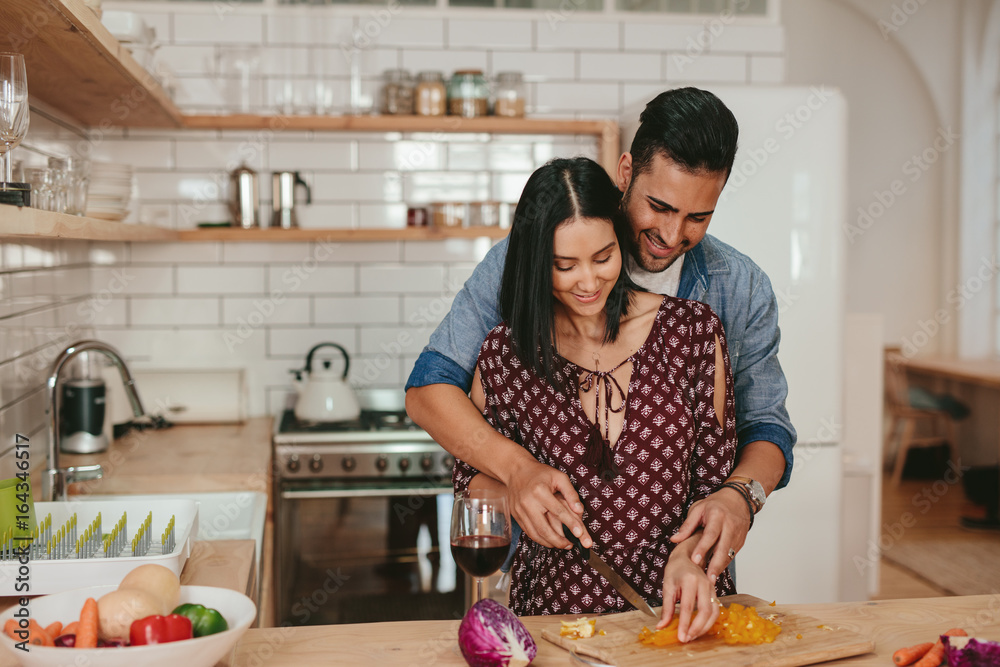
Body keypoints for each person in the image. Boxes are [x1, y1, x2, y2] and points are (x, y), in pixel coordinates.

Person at [406, 87, 795, 628]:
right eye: (658, 206)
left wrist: (738, 497)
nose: (670, 234)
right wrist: (516, 472)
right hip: (554, 613)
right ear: (626, 171)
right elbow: (431, 392)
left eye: (697, 217)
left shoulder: (729, 296)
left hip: (681, 607)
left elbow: (765, 428)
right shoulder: (525, 264)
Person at [454, 157, 736, 640]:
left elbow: (716, 487)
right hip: (555, 625)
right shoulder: (506, 353)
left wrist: (691, 559)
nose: (588, 282)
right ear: (535, 261)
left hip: (682, 618)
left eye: (603, 257)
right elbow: (472, 493)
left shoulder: (692, 333)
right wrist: (517, 482)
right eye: (564, 266)